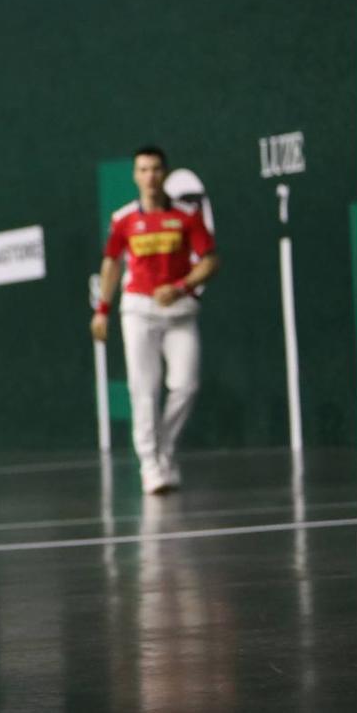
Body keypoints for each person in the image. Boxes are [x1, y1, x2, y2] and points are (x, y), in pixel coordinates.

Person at [90, 146, 220, 494]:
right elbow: (112, 264)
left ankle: (165, 449)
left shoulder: (188, 215)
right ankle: (151, 464)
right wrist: (102, 309)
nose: (150, 176)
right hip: (138, 312)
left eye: (156, 169)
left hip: (180, 312)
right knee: (144, 390)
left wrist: (182, 286)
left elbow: (209, 261)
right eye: (143, 170)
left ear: (165, 173)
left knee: (185, 386)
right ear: (135, 176)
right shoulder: (123, 220)